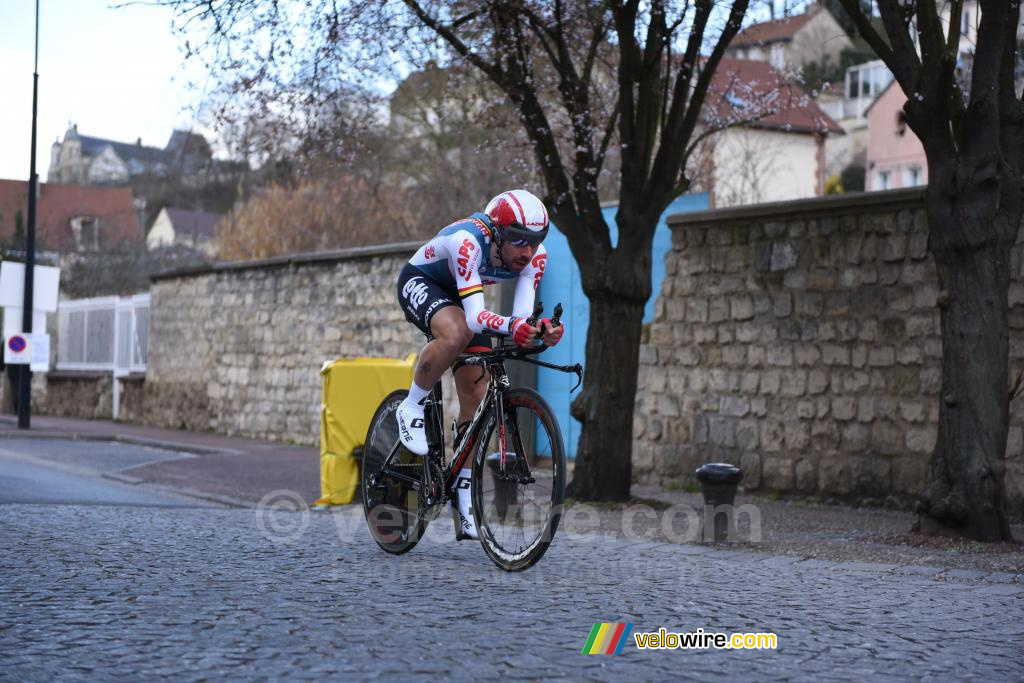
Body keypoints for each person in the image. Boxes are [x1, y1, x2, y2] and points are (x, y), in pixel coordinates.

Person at [394, 189, 564, 539]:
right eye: (518, 240)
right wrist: (515, 326)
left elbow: (519, 318)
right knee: (455, 333)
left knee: (476, 396)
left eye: (535, 241)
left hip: (464, 296)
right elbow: (474, 318)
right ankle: (411, 404)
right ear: (497, 233)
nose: (527, 251)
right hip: (424, 282)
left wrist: (539, 332)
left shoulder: (534, 257)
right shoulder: (467, 241)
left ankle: (463, 490)